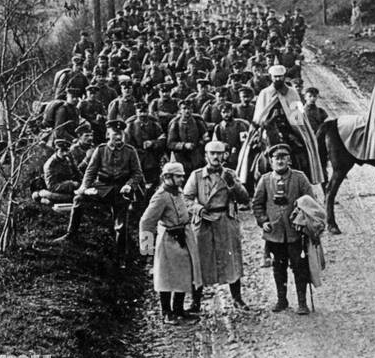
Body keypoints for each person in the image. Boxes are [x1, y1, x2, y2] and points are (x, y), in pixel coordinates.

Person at [57, 118, 145, 254]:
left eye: (120, 133)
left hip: (121, 189)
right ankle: (71, 234)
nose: (117, 136)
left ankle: (121, 257)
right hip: (102, 187)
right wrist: (84, 188)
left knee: (120, 226)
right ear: (108, 135)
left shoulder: (130, 151)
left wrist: (129, 185)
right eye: (114, 133)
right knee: (79, 199)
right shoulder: (100, 150)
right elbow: (90, 171)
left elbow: (137, 173)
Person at [183, 141, 252, 313]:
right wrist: (198, 209)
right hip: (204, 221)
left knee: (231, 259)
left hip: (225, 220)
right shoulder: (197, 175)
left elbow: (244, 198)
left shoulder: (229, 174)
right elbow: (186, 199)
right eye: (212, 153)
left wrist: (233, 185)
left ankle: (237, 299)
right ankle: (195, 301)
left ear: (224, 156)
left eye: (219, 153)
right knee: (199, 260)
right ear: (206, 156)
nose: (215, 157)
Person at [252, 145, 315, 315]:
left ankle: (302, 302)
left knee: (299, 266)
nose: (280, 161)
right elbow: (257, 204)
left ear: (289, 160)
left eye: (283, 157)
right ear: (270, 161)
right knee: (278, 267)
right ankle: (282, 300)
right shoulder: (265, 180)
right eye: (276, 158)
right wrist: (263, 221)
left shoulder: (299, 178)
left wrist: (302, 220)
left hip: (295, 233)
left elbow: (311, 202)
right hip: (274, 234)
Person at [239, 63, 326, 186]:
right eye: (275, 77)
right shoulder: (265, 93)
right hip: (268, 127)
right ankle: (248, 183)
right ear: (271, 77)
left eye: (280, 77)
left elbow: (298, 116)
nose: (278, 79)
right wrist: (268, 120)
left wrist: (291, 122)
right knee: (251, 149)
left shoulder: (292, 93)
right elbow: (259, 116)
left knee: (304, 147)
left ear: (284, 77)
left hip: (288, 127)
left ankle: (305, 179)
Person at [138, 161, 202, 323]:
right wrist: (147, 250)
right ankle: (167, 312)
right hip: (168, 240)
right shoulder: (161, 196)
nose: (182, 179)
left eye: (182, 176)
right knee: (166, 277)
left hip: (183, 237)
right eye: (178, 177)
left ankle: (179, 310)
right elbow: (146, 221)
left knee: (184, 274)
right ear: (167, 177)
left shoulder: (178, 192)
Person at [168, 100, 207, 174]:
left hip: (197, 156)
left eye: (189, 108)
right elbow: (170, 144)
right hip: (182, 158)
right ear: (180, 110)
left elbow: (206, 138)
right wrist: (184, 145)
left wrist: (200, 143)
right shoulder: (175, 124)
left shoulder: (198, 121)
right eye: (184, 108)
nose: (187, 111)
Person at [41, 137, 80, 203]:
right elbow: (52, 186)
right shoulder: (50, 165)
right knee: (72, 197)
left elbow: (77, 172)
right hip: (57, 189)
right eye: (62, 151)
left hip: (68, 185)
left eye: (66, 151)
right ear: (56, 151)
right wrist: (71, 184)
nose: (65, 153)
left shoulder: (67, 159)